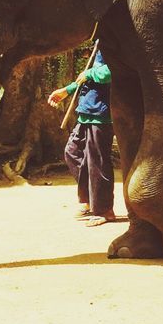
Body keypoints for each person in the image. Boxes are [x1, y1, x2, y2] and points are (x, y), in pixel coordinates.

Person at [47, 49, 120, 226]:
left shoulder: (114, 42)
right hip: (86, 111)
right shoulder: (98, 42)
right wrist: (68, 90)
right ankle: (88, 198)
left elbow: (113, 71)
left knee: (98, 161)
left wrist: (89, 73)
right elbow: (85, 78)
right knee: (72, 152)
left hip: (101, 114)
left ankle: (104, 210)